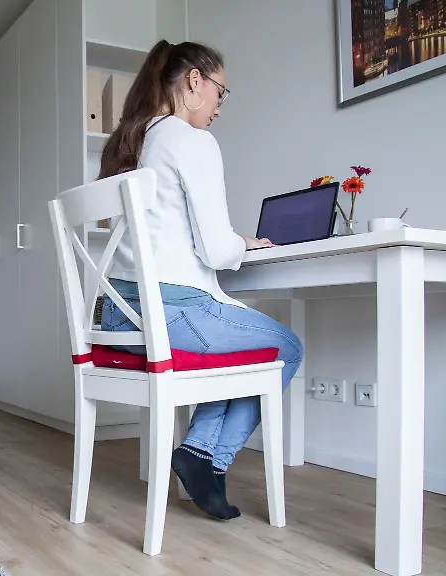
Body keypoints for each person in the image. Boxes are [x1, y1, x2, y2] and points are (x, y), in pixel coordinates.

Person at [97, 39, 303, 521]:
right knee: (285, 348)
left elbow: (166, 233)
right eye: (220, 93)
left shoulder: (130, 142)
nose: (218, 107)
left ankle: (198, 456)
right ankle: (208, 458)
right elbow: (215, 251)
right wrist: (241, 244)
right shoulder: (190, 139)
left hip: (117, 317)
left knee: (239, 348)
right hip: (171, 316)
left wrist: (233, 240)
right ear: (195, 81)